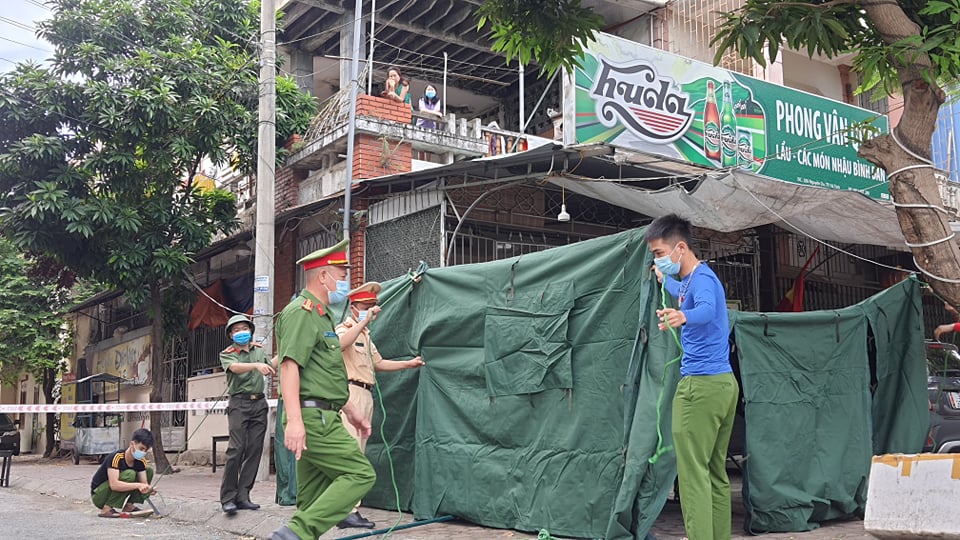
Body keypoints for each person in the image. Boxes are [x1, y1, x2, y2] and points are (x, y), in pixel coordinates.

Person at [268, 238, 377, 540]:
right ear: (323, 276)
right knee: (360, 474)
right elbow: (289, 367)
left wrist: (352, 411)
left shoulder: (323, 315)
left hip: (324, 413)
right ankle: (295, 533)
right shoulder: (302, 312)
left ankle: (298, 532)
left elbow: (323, 374)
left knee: (312, 498)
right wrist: (296, 422)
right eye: (341, 275)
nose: (344, 281)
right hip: (315, 420)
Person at [646, 214, 738, 540]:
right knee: (714, 473)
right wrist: (663, 279)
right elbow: (679, 287)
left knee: (692, 475)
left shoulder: (703, 282)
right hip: (723, 386)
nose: (657, 259)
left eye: (659, 254)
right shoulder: (692, 279)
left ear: (680, 248)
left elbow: (708, 309)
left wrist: (683, 315)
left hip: (699, 387)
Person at [334, 282, 425, 529]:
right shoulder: (345, 329)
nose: (373, 311)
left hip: (366, 394)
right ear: (354, 308)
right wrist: (363, 322)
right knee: (350, 453)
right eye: (367, 307)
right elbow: (339, 346)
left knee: (359, 452)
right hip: (349, 394)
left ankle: (350, 509)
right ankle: (345, 510)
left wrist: (408, 364)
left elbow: (380, 363)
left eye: (374, 306)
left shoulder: (365, 335)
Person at [219, 314, 278, 515]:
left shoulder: (259, 351)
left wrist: (288, 350)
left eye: (244, 328)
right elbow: (234, 368)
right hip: (239, 403)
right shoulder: (228, 353)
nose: (241, 332)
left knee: (255, 450)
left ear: (251, 330)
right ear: (230, 335)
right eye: (236, 330)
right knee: (236, 449)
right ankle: (228, 497)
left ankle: (243, 496)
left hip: (259, 403)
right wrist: (255, 366)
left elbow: (271, 365)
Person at [90, 428, 157, 518]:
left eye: (145, 450)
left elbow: (143, 483)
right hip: (100, 494)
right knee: (130, 474)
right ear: (132, 444)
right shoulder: (116, 457)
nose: (143, 452)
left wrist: (148, 489)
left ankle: (129, 506)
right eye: (141, 448)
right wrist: (138, 485)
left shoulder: (141, 461)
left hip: (113, 490)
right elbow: (114, 485)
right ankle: (107, 508)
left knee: (149, 471)